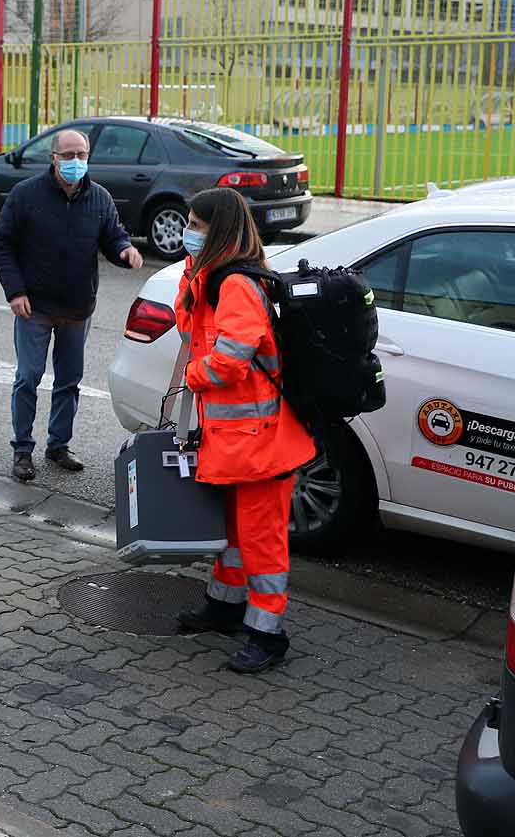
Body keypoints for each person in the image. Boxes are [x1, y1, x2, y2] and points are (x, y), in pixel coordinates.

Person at [171, 187, 315, 674]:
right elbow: (186, 326)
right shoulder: (214, 278)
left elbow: (229, 363)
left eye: (195, 224)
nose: (187, 232)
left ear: (219, 231)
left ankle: (268, 634)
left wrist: (192, 377)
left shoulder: (236, 285)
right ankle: (225, 607)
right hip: (237, 441)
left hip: (263, 444)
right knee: (233, 532)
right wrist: (193, 273)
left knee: (262, 540)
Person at [0, 129, 143, 481]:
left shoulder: (99, 197)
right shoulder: (26, 195)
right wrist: (15, 292)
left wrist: (124, 251)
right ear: (53, 158)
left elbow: (112, 235)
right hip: (35, 308)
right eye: (69, 155)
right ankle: (22, 450)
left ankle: (58, 445)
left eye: (82, 155)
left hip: (77, 309)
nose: (76, 162)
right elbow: (2, 244)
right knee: (28, 378)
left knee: (69, 381)